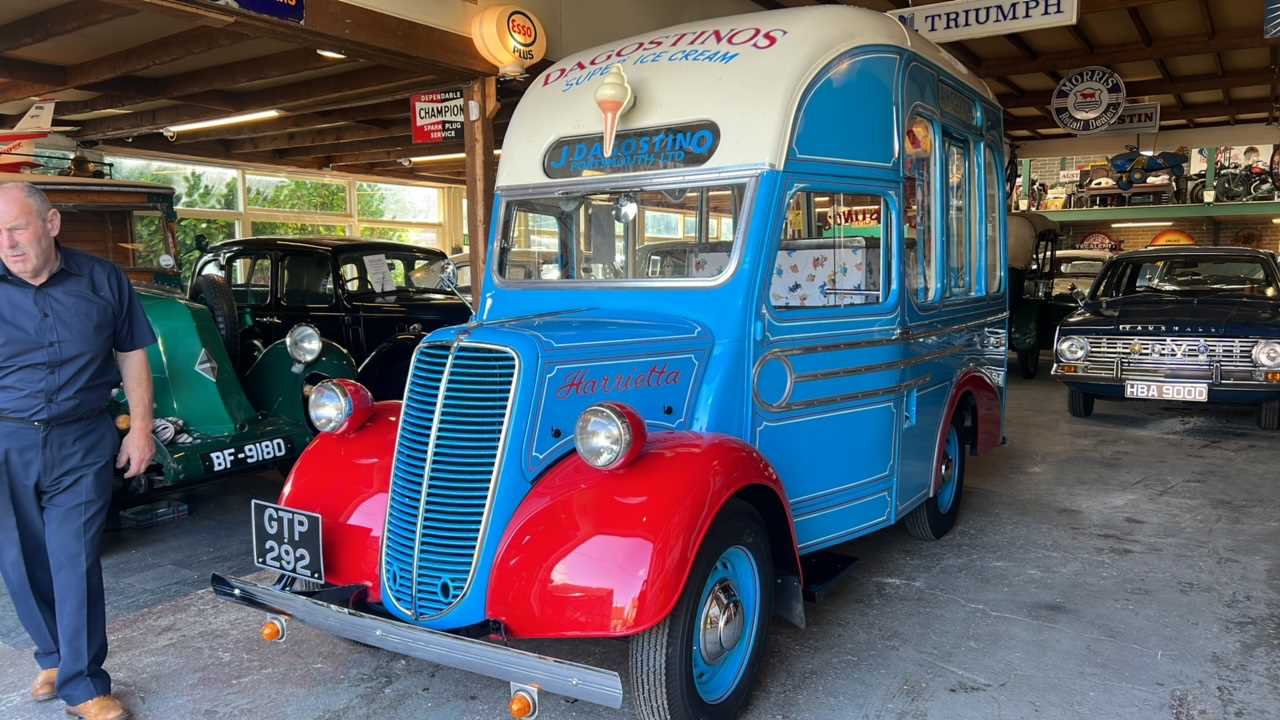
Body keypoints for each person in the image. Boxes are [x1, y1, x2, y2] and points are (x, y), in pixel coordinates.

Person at [0, 183, 156, 720]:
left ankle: (85, 684)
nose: (8, 243)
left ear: (52, 224)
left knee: (75, 559)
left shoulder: (102, 280)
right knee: (18, 558)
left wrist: (140, 428)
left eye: (17, 228)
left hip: (82, 439)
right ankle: (52, 654)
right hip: (6, 439)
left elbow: (131, 353)